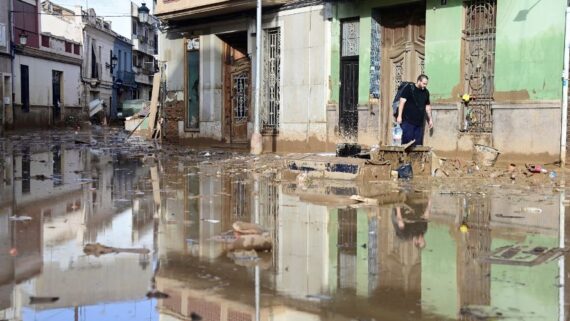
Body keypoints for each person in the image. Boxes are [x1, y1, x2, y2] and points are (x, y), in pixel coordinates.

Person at [396, 74, 433, 146]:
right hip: (408, 121)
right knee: (407, 144)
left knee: (418, 145)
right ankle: (405, 157)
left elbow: (427, 106)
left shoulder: (426, 92)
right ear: (419, 81)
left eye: (426, 84)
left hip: (419, 123)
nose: (425, 85)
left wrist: (430, 120)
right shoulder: (409, 88)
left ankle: (416, 157)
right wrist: (399, 116)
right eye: (424, 83)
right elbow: (402, 102)